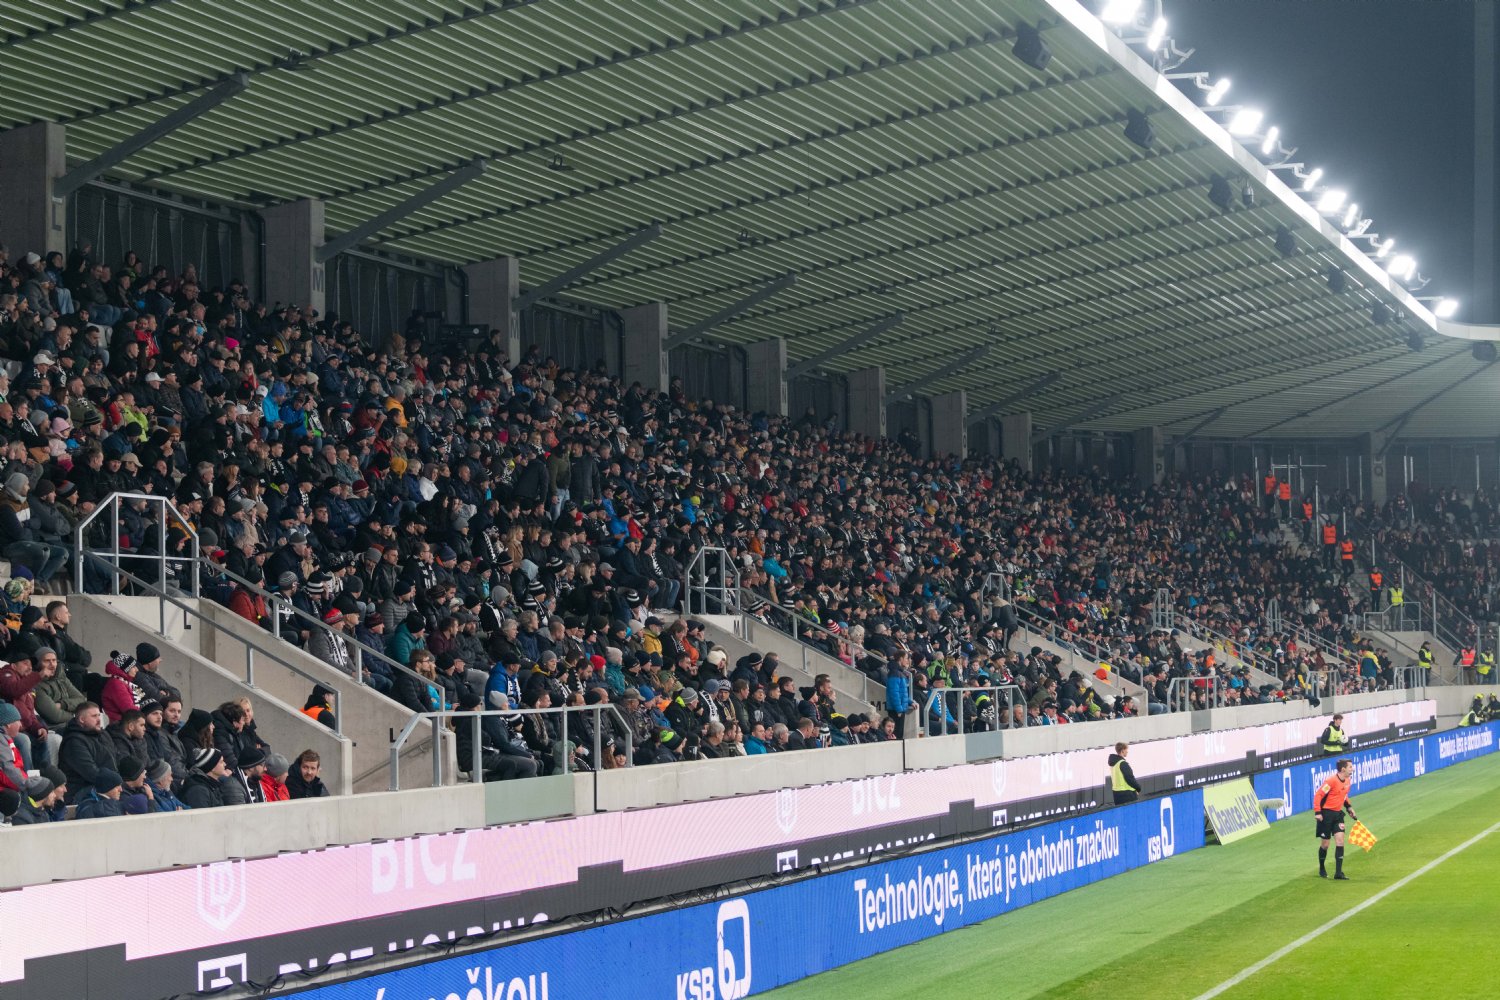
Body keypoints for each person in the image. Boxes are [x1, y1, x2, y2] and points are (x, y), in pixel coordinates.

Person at [1314, 758, 1359, 880]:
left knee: (1340, 841)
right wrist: (1318, 812)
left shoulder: (1348, 781)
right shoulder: (1331, 781)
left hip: (1338, 815)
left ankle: (1338, 873)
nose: (1352, 769)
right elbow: (1318, 795)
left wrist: (1349, 807)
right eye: (1350, 767)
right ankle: (1322, 868)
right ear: (1343, 769)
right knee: (1325, 844)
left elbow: (1344, 795)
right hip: (1326, 815)